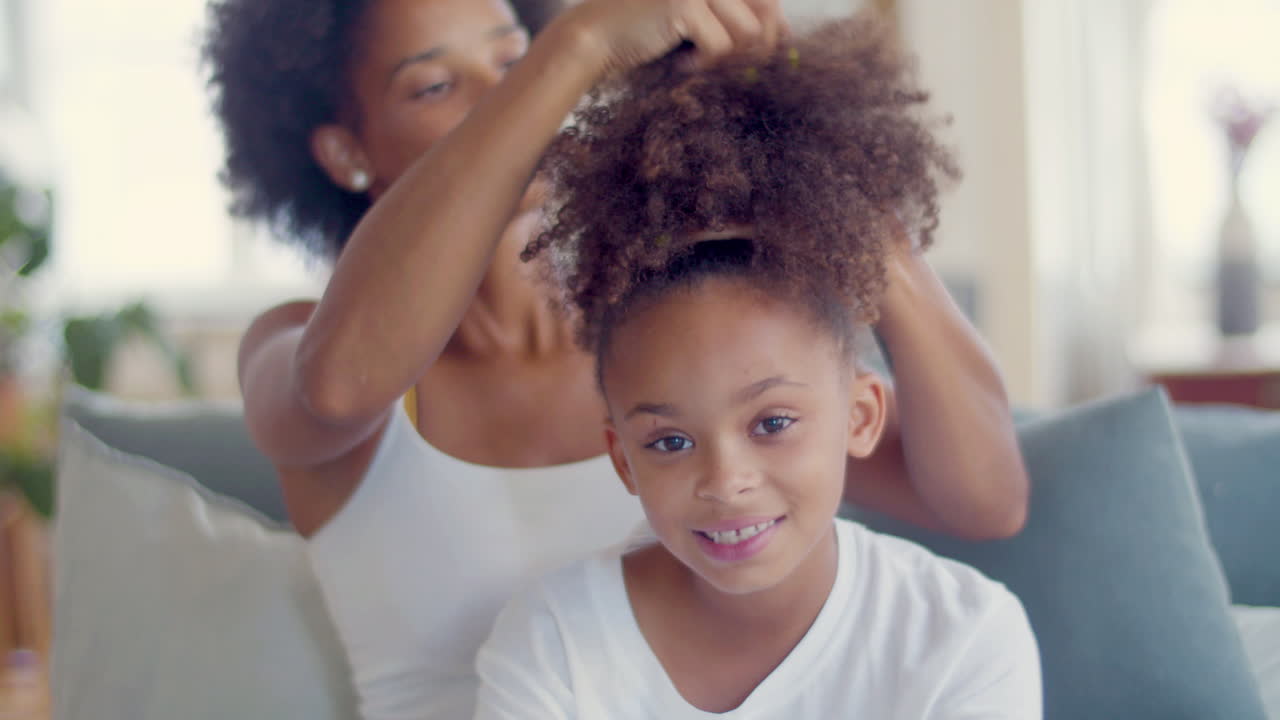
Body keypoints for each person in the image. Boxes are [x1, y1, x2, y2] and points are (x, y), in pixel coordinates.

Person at [202, 1, 1029, 718]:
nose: (510, 99)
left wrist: (817, 159)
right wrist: (579, 43)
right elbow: (344, 383)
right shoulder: (302, 345)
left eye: (510, 58)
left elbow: (987, 500)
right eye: (436, 84)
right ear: (347, 153)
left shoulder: (667, 348)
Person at [474, 19, 1040, 718]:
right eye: (670, 442)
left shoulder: (962, 637)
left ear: (860, 415)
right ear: (622, 458)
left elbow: (991, 496)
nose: (726, 482)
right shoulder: (553, 640)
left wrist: (847, 188)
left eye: (772, 422)